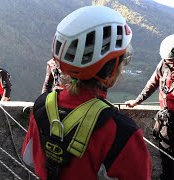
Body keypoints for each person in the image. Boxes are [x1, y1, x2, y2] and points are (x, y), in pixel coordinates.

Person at [22, 6, 152, 180]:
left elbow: (28, 157)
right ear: (110, 68)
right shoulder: (121, 132)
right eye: (123, 60)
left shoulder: (42, 106)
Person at [125, 34, 174, 180]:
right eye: (168, 60)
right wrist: (137, 101)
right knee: (165, 155)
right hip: (167, 120)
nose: (169, 63)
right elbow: (152, 84)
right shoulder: (164, 64)